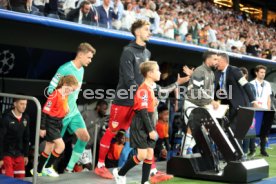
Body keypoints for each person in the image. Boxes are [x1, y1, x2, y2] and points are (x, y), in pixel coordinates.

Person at [94, 19, 187, 181]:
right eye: (146, 29)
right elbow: (128, 79)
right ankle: (100, 166)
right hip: (124, 100)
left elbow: (148, 81)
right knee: (112, 131)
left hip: (140, 101)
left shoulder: (147, 53)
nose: (149, 32)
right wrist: (145, 96)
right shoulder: (127, 51)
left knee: (148, 135)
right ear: (137, 32)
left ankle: (152, 173)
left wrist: (151, 96)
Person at [47, 42, 96, 173]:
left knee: (85, 137)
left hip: (73, 112)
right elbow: (50, 90)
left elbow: (73, 94)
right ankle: (44, 169)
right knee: (55, 144)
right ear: (80, 55)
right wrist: (62, 104)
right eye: (89, 57)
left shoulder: (82, 70)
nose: (90, 61)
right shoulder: (64, 69)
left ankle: (69, 169)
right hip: (61, 114)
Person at [113, 61, 160, 184]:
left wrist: (153, 104)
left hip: (148, 122)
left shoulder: (150, 88)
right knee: (142, 155)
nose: (159, 73)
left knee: (150, 153)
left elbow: (147, 109)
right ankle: (120, 173)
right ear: (150, 73)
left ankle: (145, 181)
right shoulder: (143, 89)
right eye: (157, 70)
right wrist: (150, 130)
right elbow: (143, 112)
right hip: (140, 124)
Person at [31, 75, 79, 177]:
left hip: (58, 123)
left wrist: (66, 109)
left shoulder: (65, 95)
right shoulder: (54, 95)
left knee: (49, 147)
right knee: (61, 146)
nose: (71, 92)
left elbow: (62, 106)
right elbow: (45, 112)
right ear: (65, 84)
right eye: (71, 89)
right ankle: (48, 167)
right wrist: (42, 128)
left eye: (73, 91)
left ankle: (38, 170)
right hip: (50, 123)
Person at [182, 51, 220, 155]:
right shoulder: (199, 71)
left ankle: (189, 148)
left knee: (206, 128)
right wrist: (211, 101)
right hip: (192, 103)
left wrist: (212, 102)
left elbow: (209, 92)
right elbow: (197, 90)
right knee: (191, 127)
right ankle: (183, 153)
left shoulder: (211, 73)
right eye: (215, 59)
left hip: (203, 104)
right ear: (208, 59)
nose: (217, 61)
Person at [215, 53, 259, 136]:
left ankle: (235, 148)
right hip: (225, 105)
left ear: (224, 61)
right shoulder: (217, 72)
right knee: (227, 130)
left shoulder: (234, 70)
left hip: (238, 105)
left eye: (218, 60)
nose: (216, 63)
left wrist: (253, 100)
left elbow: (245, 84)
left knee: (234, 131)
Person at [0, 98, 30, 178]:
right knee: (8, 179)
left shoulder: (25, 118)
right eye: (21, 104)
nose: (24, 106)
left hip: (19, 154)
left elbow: (26, 138)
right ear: (15, 104)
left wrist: (26, 155)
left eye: (25, 104)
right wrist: (0, 158)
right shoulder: (6, 118)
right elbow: (1, 139)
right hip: (7, 154)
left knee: (20, 178)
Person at [250, 65, 272, 157]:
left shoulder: (267, 84)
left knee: (264, 131)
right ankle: (252, 150)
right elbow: (250, 98)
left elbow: (268, 98)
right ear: (256, 72)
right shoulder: (251, 83)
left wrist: (269, 109)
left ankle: (263, 150)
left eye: (264, 72)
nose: (263, 74)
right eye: (261, 72)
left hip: (265, 110)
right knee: (253, 130)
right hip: (255, 110)